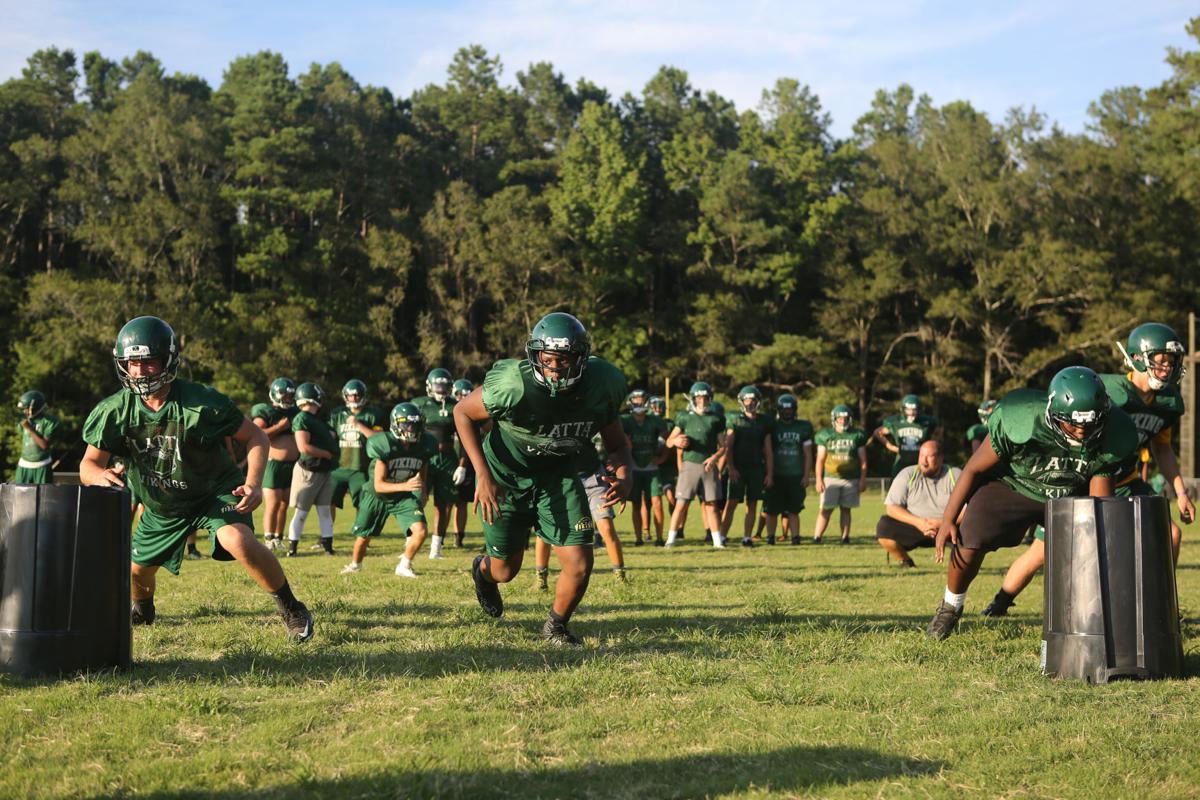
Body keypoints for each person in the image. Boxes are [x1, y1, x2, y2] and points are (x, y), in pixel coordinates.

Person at [79, 316, 312, 641]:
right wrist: (99, 475)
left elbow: (256, 436)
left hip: (213, 493)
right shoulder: (115, 410)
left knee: (237, 541)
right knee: (138, 572)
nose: (140, 371)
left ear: (168, 361)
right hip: (162, 504)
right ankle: (143, 608)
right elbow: (89, 464)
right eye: (133, 363)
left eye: (149, 362)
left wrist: (254, 481)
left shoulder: (201, 402)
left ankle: (292, 608)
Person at [978, 324, 1196, 617]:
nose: (1166, 367)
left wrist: (1180, 491)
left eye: (1171, 361)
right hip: (1085, 479)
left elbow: (1163, 449)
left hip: (1126, 480)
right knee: (1043, 551)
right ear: (1137, 356)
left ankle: (1160, 606)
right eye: (1160, 359)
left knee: (1169, 534)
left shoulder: (1168, 402)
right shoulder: (1109, 392)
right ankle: (1000, 602)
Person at [453, 312, 631, 646]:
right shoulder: (514, 385)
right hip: (506, 477)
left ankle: (556, 626)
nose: (553, 368)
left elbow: (618, 445)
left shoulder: (601, 385)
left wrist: (625, 474)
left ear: (580, 359)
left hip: (558, 476)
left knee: (579, 562)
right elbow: (462, 412)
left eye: (562, 361)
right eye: (546, 359)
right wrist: (482, 474)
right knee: (506, 570)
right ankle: (483, 571)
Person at [926, 366, 1137, 639]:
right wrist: (948, 518)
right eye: (1071, 423)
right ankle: (950, 607)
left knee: (1094, 546)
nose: (1081, 432)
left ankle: (1092, 617)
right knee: (969, 541)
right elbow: (973, 469)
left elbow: (1101, 498)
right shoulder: (1021, 417)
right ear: (1052, 412)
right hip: (1015, 486)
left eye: (1089, 423)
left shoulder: (1115, 431)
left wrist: (1099, 532)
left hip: (1069, 494)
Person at [343, 403, 438, 577]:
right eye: (406, 424)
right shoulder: (384, 444)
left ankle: (404, 565)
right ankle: (355, 564)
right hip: (377, 496)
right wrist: (407, 485)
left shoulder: (425, 444)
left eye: (415, 424)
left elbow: (423, 464)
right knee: (364, 536)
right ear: (395, 424)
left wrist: (422, 488)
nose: (411, 428)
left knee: (421, 531)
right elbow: (379, 484)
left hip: (403, 497)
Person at [875, 441, 960, 567]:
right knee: (884, 526)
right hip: (916, 526)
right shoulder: (907, 474)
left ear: (941, 458)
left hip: (948, 526)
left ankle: (960, 566)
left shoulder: (956, 475)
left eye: (930, 457)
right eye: (921, 456)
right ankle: (905, 561)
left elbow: (970, 509)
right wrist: (920, 523)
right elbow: (891, 507)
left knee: (971, 528)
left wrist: (942, 522)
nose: (924, 462)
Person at [665, 382, 726, 548]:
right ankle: (670, 539)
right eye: (699, 397)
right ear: (693, 398)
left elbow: (724, 446)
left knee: (711, 504)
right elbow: (669, 441)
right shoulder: (684, 416)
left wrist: (714, 457)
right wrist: (676, 441)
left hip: (708, 465)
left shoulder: (716, 418)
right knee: (681, 503)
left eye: (705, 397)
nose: (702, 400)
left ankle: (717, 541)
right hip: (690, 463)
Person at [284, 382, 340, 557]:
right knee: (301, 512)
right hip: (309, 471)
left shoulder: (317, 419)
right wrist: (327, 453)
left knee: (324, 510)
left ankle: (328, 547)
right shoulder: (302, 418)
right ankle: (292, 548)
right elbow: (303, 447)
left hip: (323, 470)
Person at [411, 368, 458, 559]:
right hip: (425, 457)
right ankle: (411, 540)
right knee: (416, 500)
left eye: (444, 385)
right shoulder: (419, 404)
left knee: (444, 504)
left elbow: (464, 436)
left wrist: (462, 464)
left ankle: (436, 547)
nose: (440, 389)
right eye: (437, 384)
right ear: (430, 385)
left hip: (448, 458)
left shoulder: (456, 405)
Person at [720, 386, 775, 547]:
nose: (749, 403)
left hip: (756, 468)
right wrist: (731, 468)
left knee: (752, 504)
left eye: (752, 400)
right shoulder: (735, 420)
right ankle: (722, 536)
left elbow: (768, 450)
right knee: (731, 503)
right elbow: (728, 447)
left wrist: (769, 473)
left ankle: (747, 537)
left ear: (758, 402)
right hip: (739, 467)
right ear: (741, 402)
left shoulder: (764, 422)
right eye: (746, 400)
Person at [328, 379, 385, 524]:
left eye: (357, 395)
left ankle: (361, 534)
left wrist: (358, 425)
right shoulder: (338, 414)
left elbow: (378, 439)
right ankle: (325, 537)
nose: (353, 398)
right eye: (350, 395)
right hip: (338, 467)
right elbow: (329, 437)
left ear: (363, 396)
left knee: (362, 504)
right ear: (345, 396)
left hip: (361, 467)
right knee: (328, 502)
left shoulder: (373, 414)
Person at [251, 378, 299, 551]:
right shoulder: (265, 411)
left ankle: (278, 537)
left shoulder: (294, 412)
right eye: (284, 395)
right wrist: (279, 427)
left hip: (291, 464)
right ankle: (268, 538)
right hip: (273, 464)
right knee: (273, 502)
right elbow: (257, 433)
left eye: (289, 396)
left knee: (285, 503)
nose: (287, 398)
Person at [813, 405, 869, 544]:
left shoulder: (857, 435)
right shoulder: (826, 435)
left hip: (850, 479)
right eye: (839, 418)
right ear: (834, 419)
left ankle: (845, 537)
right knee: (825, 509)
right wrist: (819, 479)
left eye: (845, 418)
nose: (842, 421)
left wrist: (862, 479)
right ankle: (817, 536)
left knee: (846, 509)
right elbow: (820, 460)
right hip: (830, 478)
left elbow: (863, 460)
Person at [763, 394, 812, 545]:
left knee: (794, 509)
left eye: (790, 409)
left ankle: (795, 537)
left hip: (795, 474)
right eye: (785, 409)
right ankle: (770, 537)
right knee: (771, 509)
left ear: (794, 410)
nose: (788, 412)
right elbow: (767, 451)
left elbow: (808, 453)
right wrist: (769, 474)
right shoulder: (773, 426)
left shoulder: (803, 427)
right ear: (779, 410)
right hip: (776, 474)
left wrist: (806, 475)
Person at [622, 389, 669, 546]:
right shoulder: (625, 420)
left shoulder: (654, 421)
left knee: (657, 502)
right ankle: (638, 538)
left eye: (641, 400)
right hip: (634, 468)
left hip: (651, 467)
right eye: (635, 400)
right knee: (636, 503)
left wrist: (662, 456)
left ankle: (660, 538)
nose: (639, 403)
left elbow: (669, 438)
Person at [874, 395, 939, 479]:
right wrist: (891, 447)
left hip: (920, 461)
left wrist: (930, 448)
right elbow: (878, 432)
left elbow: (938, 432)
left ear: (919, 409)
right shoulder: (896, 422)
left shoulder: (927, 423)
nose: (911, 413)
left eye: (914, 410)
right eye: (908, 409)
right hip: (902, 461)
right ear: (903, 409)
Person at [450, 378, 476, 548]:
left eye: (465, 395)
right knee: (446, 503)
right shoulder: (445, 414)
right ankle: (440, 538)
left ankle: (459, 538)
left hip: (468, 463)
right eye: (459, 394)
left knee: (463, 501)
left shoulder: (475, 414)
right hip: (448, 461)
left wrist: (463, 465)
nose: (462, 397)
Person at [14, 390, 60, 484]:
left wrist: (30, 429)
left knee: (43, 496)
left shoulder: (50, 422)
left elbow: (44, 445)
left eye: (26, 408)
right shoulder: (24, 419)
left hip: (42, 465)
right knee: (20, 496)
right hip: (24, 464)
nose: (24, 411)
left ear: (33, 407)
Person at [649, 395, 676, 536]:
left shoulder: (669, 424)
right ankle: (646, 531)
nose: (658, 409)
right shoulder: (645, 422)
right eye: (655, 406)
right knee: (647, 501)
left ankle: (675, 526)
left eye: (660, 406)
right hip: (648, 465)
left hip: (666, 466)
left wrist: (663, 457)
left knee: (671, 497)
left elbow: (671, 444)